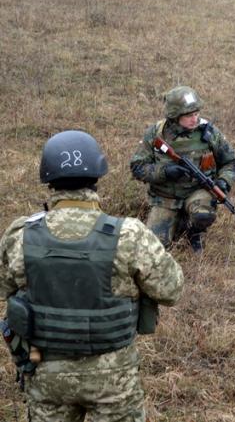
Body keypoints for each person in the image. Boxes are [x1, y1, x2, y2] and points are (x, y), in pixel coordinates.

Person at [0, 130, 183, 422]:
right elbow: (171, 290)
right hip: (114, 380)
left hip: (46, 372)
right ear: (97, 176)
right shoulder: (129, 234)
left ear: (48, 180)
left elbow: (6, 289)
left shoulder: (20, 235)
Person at [130, 86, 235, 252]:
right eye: (189, 115)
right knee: (155, 247)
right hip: (165, 198)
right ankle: (178, 221)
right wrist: (164, 172)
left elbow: (231, 161)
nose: (195, 119)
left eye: (196, 113)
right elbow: (137, 167)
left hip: (197, 193)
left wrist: (224, 182)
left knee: (204, 214)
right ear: (175, 116)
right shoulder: (156, 133)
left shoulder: (209, 133)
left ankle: (194, 232)